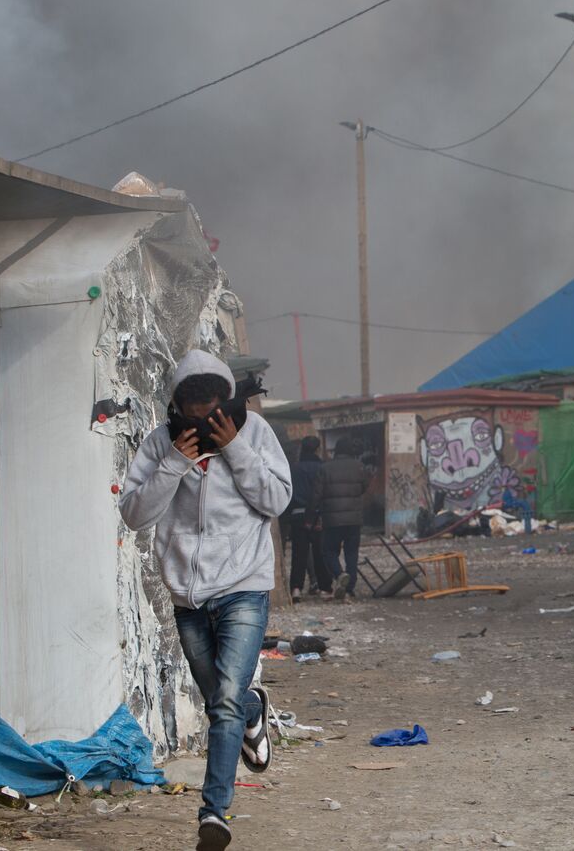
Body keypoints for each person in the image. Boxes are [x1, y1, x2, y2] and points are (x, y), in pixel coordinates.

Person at [118, 350, 291, 851]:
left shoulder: (255, 432)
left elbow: (276, 500)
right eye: (191, 403)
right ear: (177, 404)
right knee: (225, 702)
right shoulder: (161, 443)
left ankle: (214, 814)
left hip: (243, 587)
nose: (202, 412)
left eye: (211, 401)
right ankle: (254, 713)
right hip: (188, 597)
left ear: (224, 398)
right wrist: (174, 461)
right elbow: (133, 513)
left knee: (224, 703)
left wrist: (235, 448)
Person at [312, 436, 368, 600]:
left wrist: (312, 516)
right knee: (352, 553)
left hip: (332, 519)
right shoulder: (360, 467)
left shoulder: (325, 468)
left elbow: (317, 494)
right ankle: (350, 589)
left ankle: (339, 574)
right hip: (354, 518)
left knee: (329, 551)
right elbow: (364, 487)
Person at [285, 436, 330, 602]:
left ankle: (296, 588)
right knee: (320, 553)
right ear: (317, 449)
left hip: (297, 514)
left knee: (299, 553)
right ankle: (325, 587)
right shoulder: (322, 468)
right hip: (318, 515)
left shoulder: (293, 469)